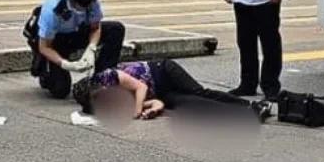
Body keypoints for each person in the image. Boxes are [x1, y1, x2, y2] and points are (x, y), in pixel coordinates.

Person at [72, 59, 271, 122]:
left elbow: (140, 87)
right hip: (160, 91)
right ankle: (244, 115)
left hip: (164, 71)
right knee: (193, 106)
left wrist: (136, 111)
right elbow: (155, 102)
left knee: (199, 93)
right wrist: (151, 110)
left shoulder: (108, 77)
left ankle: (253, 105)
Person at [30, 0, 124, 99]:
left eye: (85, 7)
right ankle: (45, 72)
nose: (82, 10)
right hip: (56, 40)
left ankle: (102, 77)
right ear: (71, 0)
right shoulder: (53, 10)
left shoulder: (92, 0)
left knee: (116, 29)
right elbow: (44, 47)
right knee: (60, 90)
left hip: (77, 31)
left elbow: (95, 28)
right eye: (79, 7)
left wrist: (91, 48)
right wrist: (66, 64)